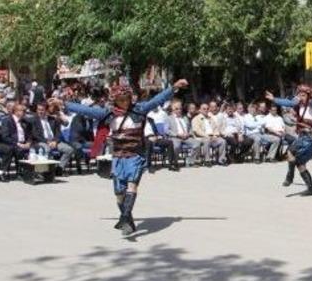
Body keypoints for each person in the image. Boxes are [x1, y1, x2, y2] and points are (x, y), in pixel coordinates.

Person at [52, 79, 187, 235]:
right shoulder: (108, 114)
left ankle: (123, 218)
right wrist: (63, 103)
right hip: (118, 156)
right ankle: (127, 219)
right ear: (115, 100)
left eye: (126, 99)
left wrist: (174, 88)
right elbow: (84, 110)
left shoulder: (140, 109)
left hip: (135, 155)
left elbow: (157, 100)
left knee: (132, 185)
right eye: (120, 100)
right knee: (118, 193)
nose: (124, 102)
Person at [267, 84, 312, 196]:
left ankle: (289, 177)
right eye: (299, 95)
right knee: (300, 164)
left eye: (302, 95)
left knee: (290, 152)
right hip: (306, 137)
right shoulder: (300, 104)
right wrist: (274, 98)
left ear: (308, 95)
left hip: (310, 137)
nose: (300, 97)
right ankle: (311, 189)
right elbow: (288, 103)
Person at [32, 102, 76, 175]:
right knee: (47, 149)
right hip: (41, 141)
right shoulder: (34, 120)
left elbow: (58, 132)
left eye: (42, 110)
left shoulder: (52, 119)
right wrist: (47, 142)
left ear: (46, 110)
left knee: (69, 149)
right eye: (39, 110)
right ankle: (46, 171)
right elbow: (35, 135)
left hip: (54, 141)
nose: (40, 112)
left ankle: (59, 169)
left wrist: (55, 141)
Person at [166, 101, 201, 167]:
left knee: (197, 144)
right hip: (176, 137)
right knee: (176, 146)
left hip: (186, 137)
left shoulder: (185, 118)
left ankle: (190, 161)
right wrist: (177, 134)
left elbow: (190, 128)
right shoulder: (169, 118)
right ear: (173, 109)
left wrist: (188, 134)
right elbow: (166, 130)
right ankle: (175, 162)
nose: (179, 110)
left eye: (180, 109)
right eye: (177, 109)